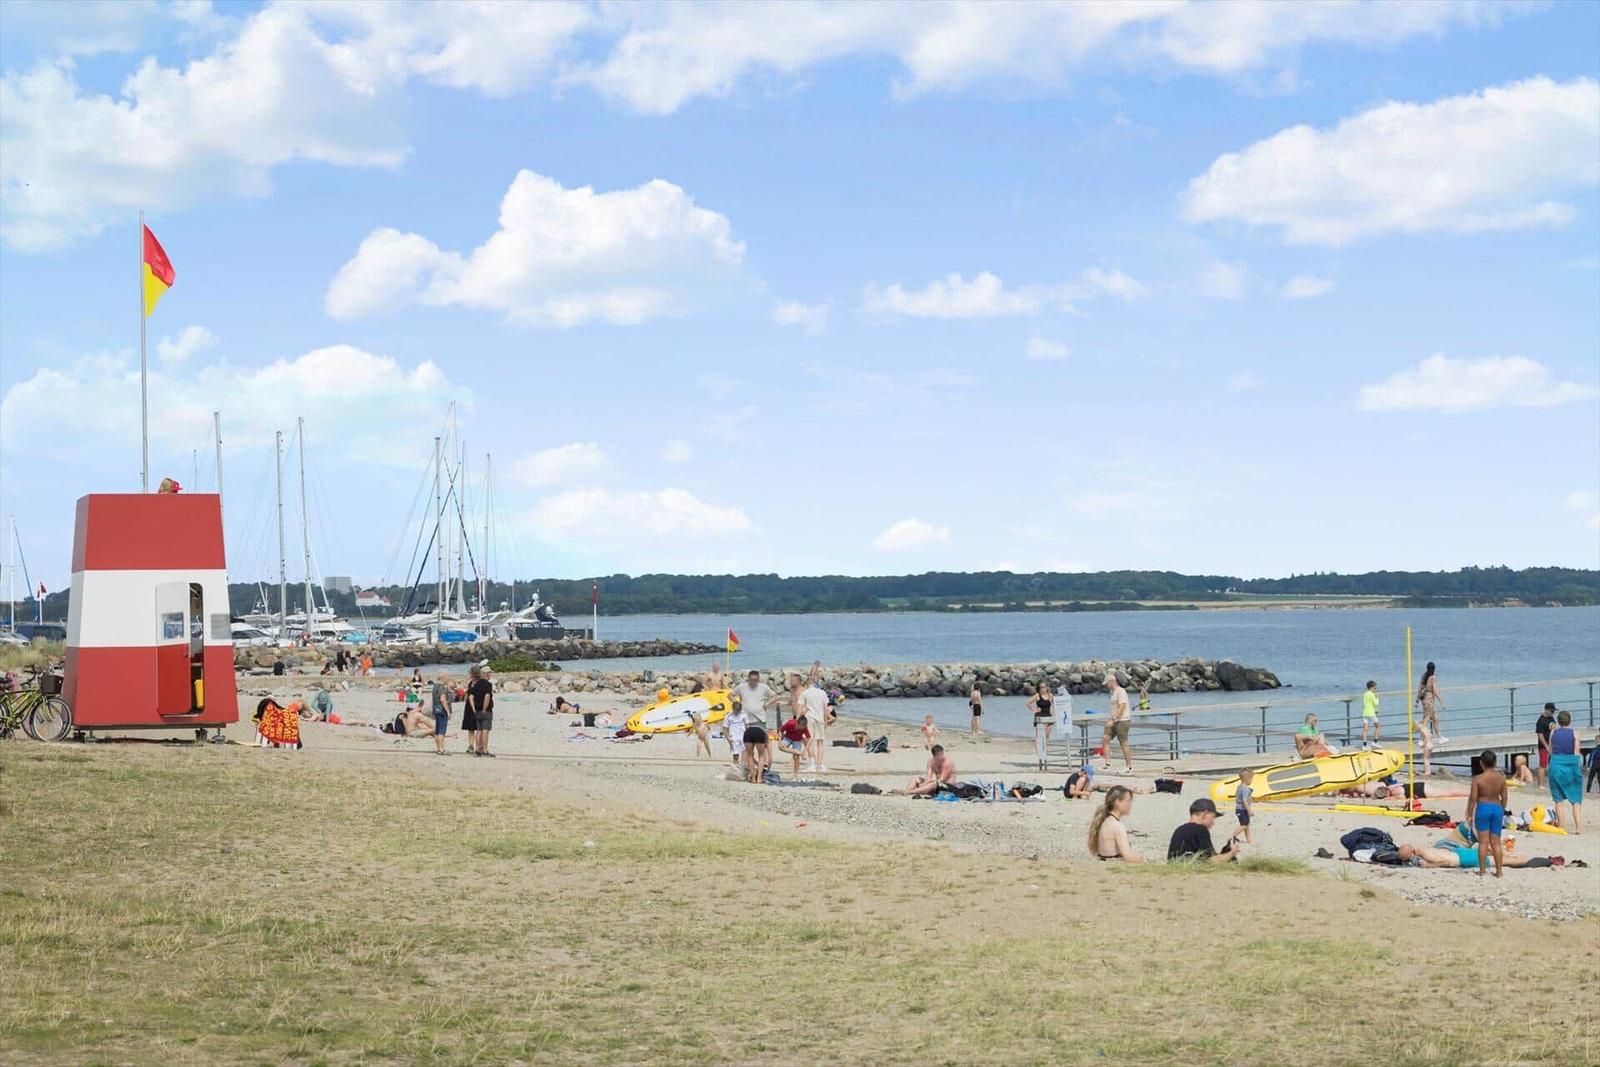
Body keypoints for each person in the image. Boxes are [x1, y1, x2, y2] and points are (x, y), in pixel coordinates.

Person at [1466, 749, 1509, 877]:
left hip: (1483, 808)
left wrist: (1469, 813)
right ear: (1495, 763)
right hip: (1497, 808)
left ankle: (1482, 870)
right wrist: (1502, 809)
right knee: (1496, 842)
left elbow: (1473, 798)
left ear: (1481, 763)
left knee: (1483, 842)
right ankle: (1499, 871)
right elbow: (1505, 796)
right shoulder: (1501, 778)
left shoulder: (1478, 779)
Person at [1167, 799, 1240, 864]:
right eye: (1213, 817)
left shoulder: (1180, 830)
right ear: (1205, 814)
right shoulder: (1200, 829)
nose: (1213, 822)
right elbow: (1212, 861)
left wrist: (1224, 851)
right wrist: (1232, 853)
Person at [1547, 710, 1583, 835]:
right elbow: (1576, 752)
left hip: (1555, 765)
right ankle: (1578, 828)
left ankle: (1563, 827)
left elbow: (1550, 751)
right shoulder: (1575, 733)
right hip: (1570, 766)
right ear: (1570, 721)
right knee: (1576, 799)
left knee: (1558, 799)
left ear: (1559, 721)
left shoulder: (1553, 732)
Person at [1086, 786, 1141, 863]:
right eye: (1128, 801)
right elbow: (1128, 857)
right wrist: (1142, 860)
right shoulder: (1117, 826)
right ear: (1117, 802)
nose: (1130, 805)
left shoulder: (1104, 821)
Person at [1102, 672, 1133, 774]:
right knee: (1105, 738)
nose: (1106, 686)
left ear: (1112, 682)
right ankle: (1107, 764)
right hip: (1113, 720)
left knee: (1123, 742)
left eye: (1107, 683)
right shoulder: (1112, 692)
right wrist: (1112, 718)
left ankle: (1128, 767)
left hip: (1122, 720)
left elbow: (1122, 706)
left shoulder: (1121, 691)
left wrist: (1114, 718)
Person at [797, 673, 829, 772]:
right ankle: (819, 765)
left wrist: (797, 721)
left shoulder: (805, 693)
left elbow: (800, 709)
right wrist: (826, 720)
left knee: (810, 741)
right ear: (815, 683)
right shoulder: (822, 692)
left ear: (806, 684)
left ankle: (812, 765)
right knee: (820, 743)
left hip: (809, 718)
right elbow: (825, 708)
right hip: (820, 718)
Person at [466, 665, 494, 757]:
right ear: (486, 674)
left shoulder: (475, 684)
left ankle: (478, 749)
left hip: (476, 710)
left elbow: (470, 696)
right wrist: (484, 709)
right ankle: (484, 750)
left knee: (478, 730)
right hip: (485, 710)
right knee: (485, 730)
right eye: (490, 673)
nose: (490, 675)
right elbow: (487, 696)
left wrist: (474, 709)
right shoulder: (487, 684)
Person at [1417, 661, 1447, 744]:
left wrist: (1417, 700)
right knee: (1426, 718)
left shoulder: (1424, 676)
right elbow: (1435, 691)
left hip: (1424, 700)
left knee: (1435, 717)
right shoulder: (1433, 678)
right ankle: (1421, 739)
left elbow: (1420, 688)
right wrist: (1442, 702)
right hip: (1429, 699)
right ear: (1434, 669)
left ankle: (1439, 736)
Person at [1028, 681, 1054, 772]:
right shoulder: (1037, 695)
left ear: (1047, 687)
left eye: (1044, 687)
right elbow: (1028, 703)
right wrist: (1034, 710)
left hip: (1048, 717)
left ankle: (1044, 753)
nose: (1042, 689)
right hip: (1040, 717)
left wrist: (1054, 715)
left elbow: (1054, 706)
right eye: (1041, 687)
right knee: (1039, 737)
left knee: (1046, 736)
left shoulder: (1050, 695)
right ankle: (1040, 755)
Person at [429, 673, 452, 754]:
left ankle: (439, 748)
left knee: (438, 730)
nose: (448, 679)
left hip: (436, 710)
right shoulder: (442, 687)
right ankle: (441, 749)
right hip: (442, 711)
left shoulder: (435, 686)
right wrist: (448, 711)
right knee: (442, 730)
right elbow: (443, 700)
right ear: (443, 677)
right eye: (447, 677)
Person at [1535, 702, 1557, 785]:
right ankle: (1540, 784)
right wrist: (1546, 746)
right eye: (1551, 711)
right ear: (1546, 710)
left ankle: (1552, 783)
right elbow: (1540, 735)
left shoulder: (1551, 718)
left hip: (1553, 745)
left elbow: (1554, 728)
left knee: (1553, 765)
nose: (1553, 713)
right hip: (1543, 746)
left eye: (1553, 711)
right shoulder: (1541, 721)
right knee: (1542, 765)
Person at [723, 701, 749, 766]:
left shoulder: (744, 714)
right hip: (733, 736)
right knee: (735, 754)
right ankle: (735, 766)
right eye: (736, 710)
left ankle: (743, 766)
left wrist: (748, 735)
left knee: (744, 751)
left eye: (739, 710)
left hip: (743, 735)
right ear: (733, 709)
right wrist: (728, 738)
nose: (737, 711)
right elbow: (725, 728)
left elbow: (747, 725)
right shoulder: (728, 716)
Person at [1235, 768, 1255, 845]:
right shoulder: (1244, 789)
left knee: (1246, 824)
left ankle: (1249, 840)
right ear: (1248, 778)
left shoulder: (1239, 787)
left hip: (1240, 809)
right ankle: (1232, 837)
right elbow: (1244, 800)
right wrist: (1249, 810)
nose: (1252, 781)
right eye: (1251, 779)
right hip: (1242, 810)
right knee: (1244, 825)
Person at [1361, 680, 1381, 750]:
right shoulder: (1372, 695)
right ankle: (1375, 742)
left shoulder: (1365, 694)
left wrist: (1375, 710)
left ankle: (1364, 745)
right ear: (1372, 687)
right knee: (1378, 726)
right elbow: (1376, 703)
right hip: (1371, 713)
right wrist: (1377, 697)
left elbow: (1367, 704)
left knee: (1365, 729)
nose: (1376, 690)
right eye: (1375, 688)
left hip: (1365, 713)